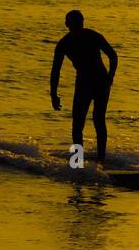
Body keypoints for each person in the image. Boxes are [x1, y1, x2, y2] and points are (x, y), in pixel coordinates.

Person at [50, 10, 118, 167]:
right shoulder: (63, 44)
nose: (76, 27)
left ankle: (101, 160)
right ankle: (78, 162)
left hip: (100, 81)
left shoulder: (92, 36)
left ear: (82, 23)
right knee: (78, 125)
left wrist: (110, 77)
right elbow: (55, 71)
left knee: (98, 120)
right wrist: (53, 94)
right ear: (67, 25)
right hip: (84, 84)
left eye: (79, 24)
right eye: (73, 24)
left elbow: (113, 56)